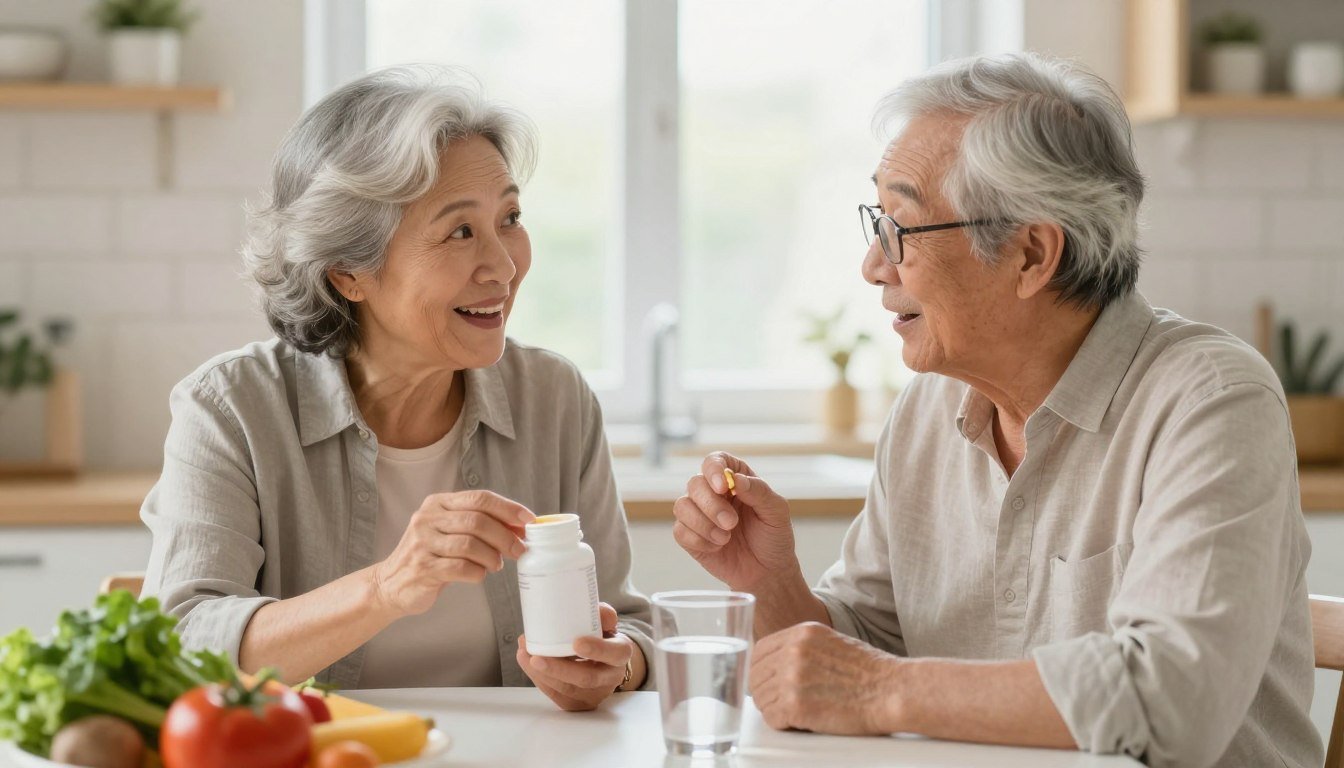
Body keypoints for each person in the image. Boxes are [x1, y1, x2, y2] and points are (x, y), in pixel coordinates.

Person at [672, 52, 1322, 767]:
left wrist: (878, 692)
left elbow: (1170, 703)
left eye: (901, 226)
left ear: (1031, 255)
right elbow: (857, 652)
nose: (872, 265)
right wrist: (770, 582)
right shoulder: (928, 411)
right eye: (875, 220)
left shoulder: (1211, 400)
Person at [141, 67, 652, 709]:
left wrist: (617, 666)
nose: (503, 265)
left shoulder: (554, 398)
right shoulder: (230, 409)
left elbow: (629, 624)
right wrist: (386, 588)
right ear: (349, 272)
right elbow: (183, 646)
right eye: (460, 231)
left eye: (510, 217)